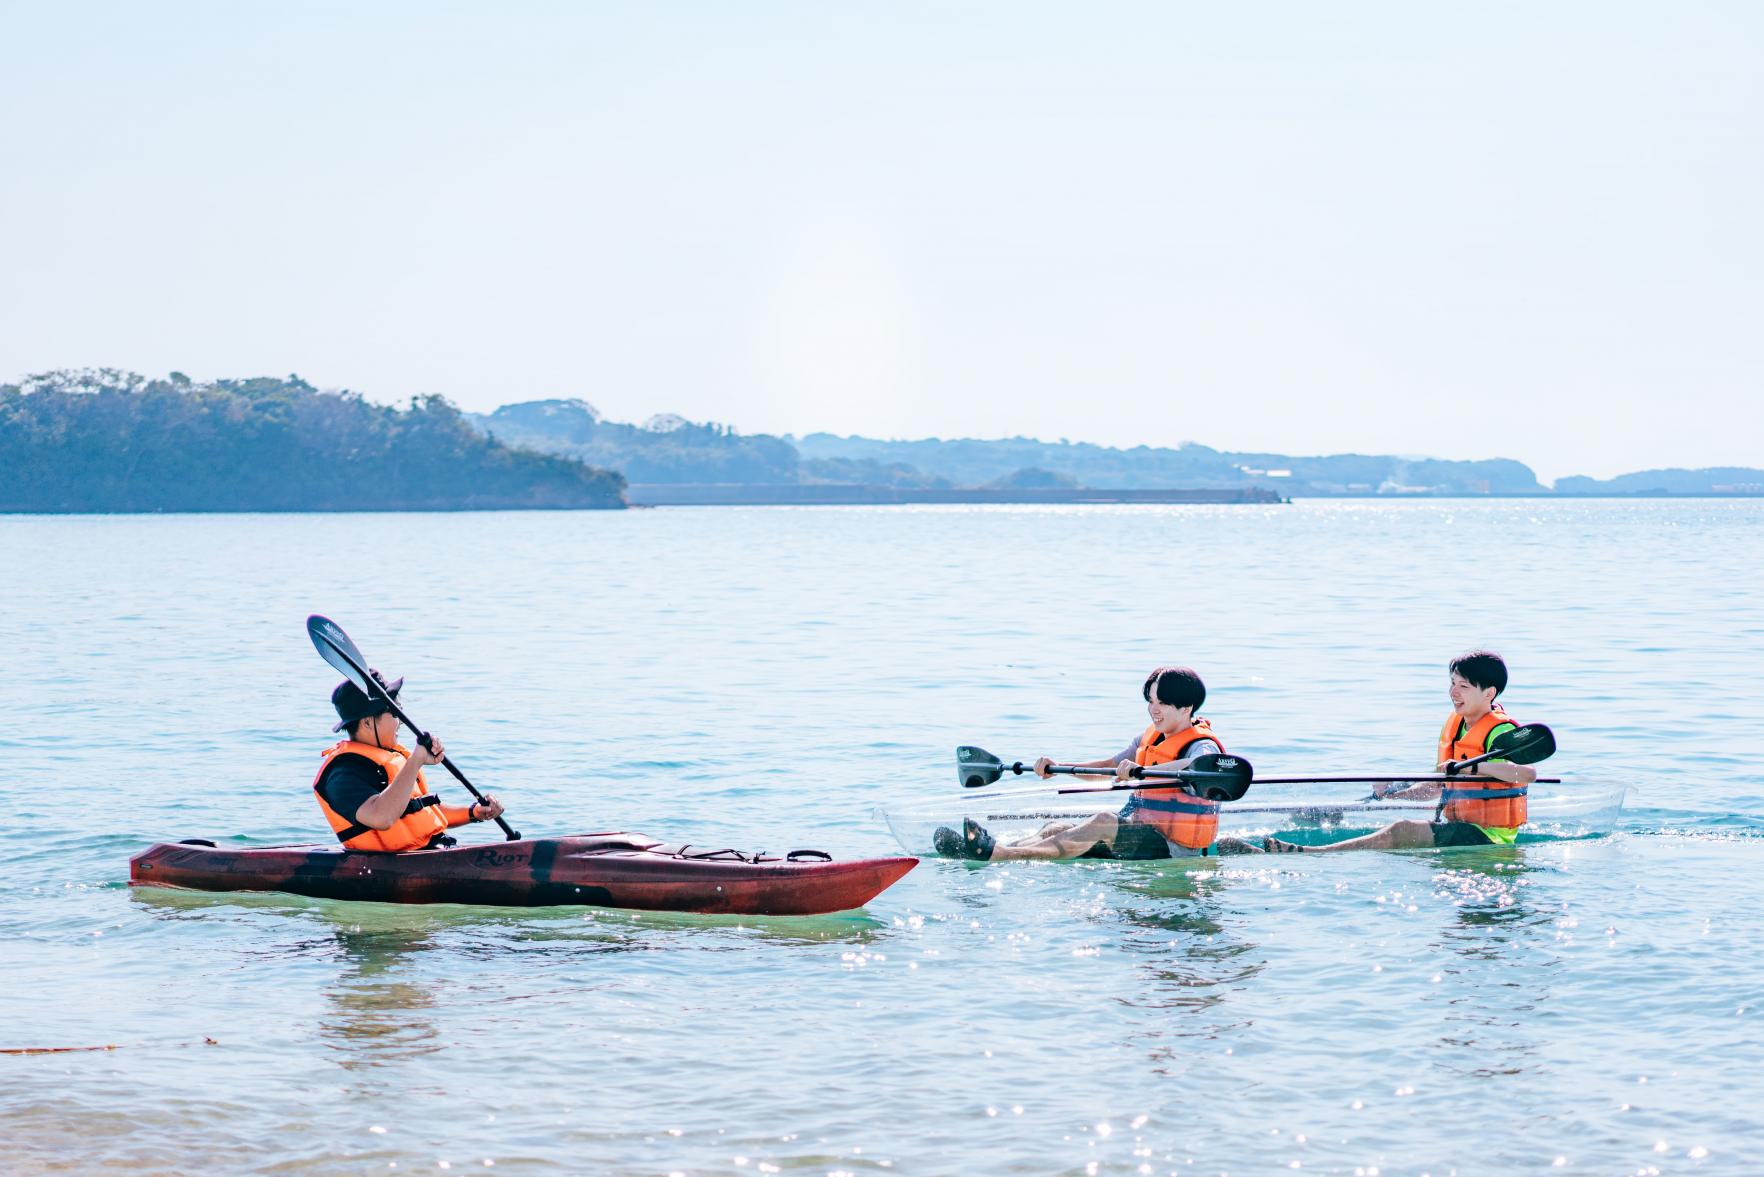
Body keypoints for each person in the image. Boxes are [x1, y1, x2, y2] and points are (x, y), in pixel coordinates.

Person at [935, 666, 1236, 861]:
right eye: (1151, 701)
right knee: (1057, 827)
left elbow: (1201, 767)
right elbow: (1107, 767)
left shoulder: (1202, 745)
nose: (1153, 710)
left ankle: (1000, 855)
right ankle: (988, 850)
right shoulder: (1152, 738)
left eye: (1162, 704)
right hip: (1142, 834)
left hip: (1176, 850)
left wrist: (1143, 772)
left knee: (1104, 820)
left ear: (1186, 708)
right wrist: (1056, 767)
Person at [1265, 650, 1536, 853]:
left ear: (1489, 693)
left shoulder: (1499, 732)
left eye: (1463, 686)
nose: (1453, 692)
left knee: (1401, 830)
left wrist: (1472, 767)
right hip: (1459, 828)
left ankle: (1313, 854)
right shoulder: (1455, 727)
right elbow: (1435, 788)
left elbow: (1527, 773)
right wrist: (1392, 794)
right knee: (1396, 830)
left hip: (1490, 838)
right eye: (1453, 683)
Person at [313, 670, 504, 852]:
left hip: (432, 853)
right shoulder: (342, 774)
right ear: (367, 723)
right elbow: (381, 817)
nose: (401, 722)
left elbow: (421, 813)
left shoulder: (391, 756)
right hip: (386, 871)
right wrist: (415, 761)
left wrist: (474, 813)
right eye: (395, 714)